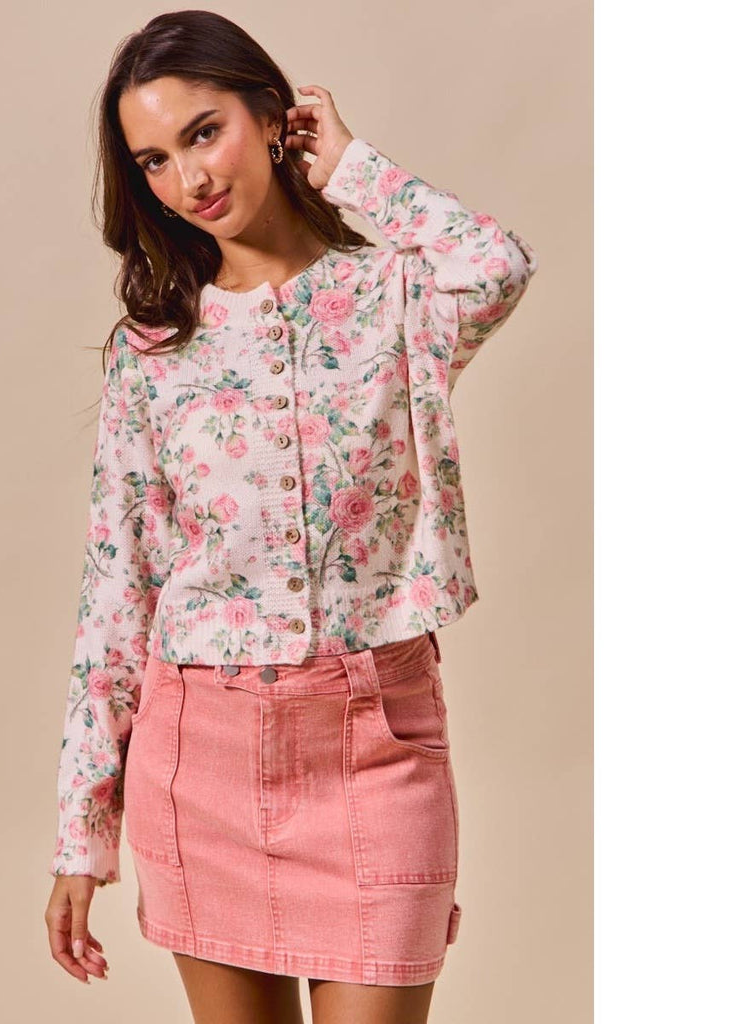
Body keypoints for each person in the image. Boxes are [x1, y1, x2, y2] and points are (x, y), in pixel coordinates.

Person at [43, 10, 538, 1022]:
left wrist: (351, 167)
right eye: (154, 160)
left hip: (375, 745)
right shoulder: (153, 351)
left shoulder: (392, 298)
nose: (189, 177)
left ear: (272, 118)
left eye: (205, 132)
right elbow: (119, 587)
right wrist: (80, 833)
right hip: (201, 758)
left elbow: (496, 264)